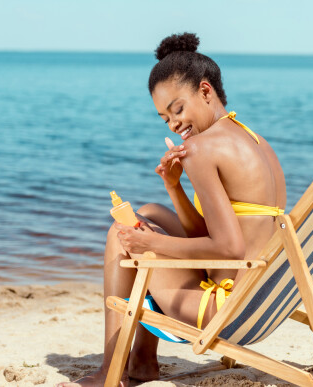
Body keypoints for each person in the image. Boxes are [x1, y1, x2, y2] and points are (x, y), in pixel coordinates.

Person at [58, 32, 286, 387]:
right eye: (165, 119)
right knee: (151, 210)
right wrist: (174, 186)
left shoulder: (202, 149)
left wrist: (151, 246)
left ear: (206, 91)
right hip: (262, 299)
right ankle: (143, 360)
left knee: (120, 237)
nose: (175, 124)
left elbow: (227, 249)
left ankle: (109, 372)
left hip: (224, 308)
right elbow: (211, 236)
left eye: (178, 110)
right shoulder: (256, 141)